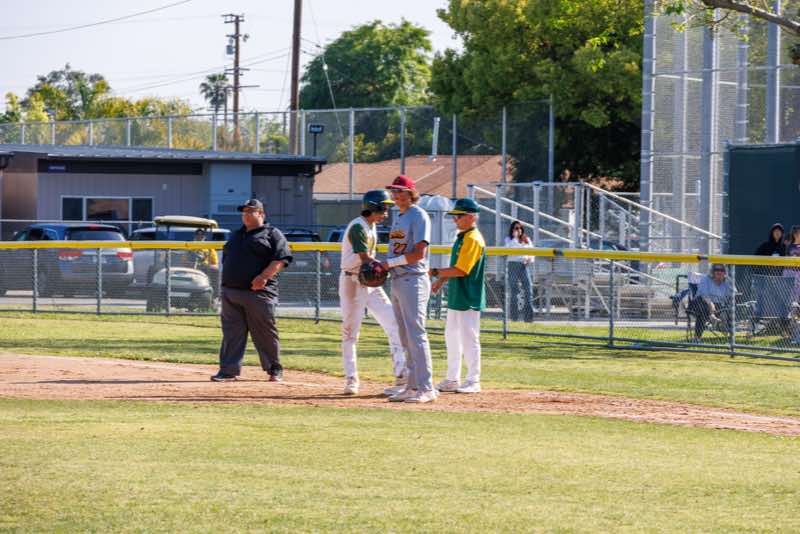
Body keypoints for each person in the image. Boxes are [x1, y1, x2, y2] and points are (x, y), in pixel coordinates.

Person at [211, 199, 293, 382]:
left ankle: (274, 368)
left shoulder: (272, 233)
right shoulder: (236, 235)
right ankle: (228, 371)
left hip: (259, 293)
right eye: (244, 212)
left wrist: (263, 276)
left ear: (261, 214)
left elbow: (281, 259)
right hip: (231, 292)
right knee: (232, 334)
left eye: (251, 211)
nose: (246, 215)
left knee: (264, 332)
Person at [339, 190, 408, 395]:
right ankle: (351, 379)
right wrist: (388, 265)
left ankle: (402, 375)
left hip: (369, 282)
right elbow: (364, 257)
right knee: (350, 333)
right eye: (383, 208)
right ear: (372, 207)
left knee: (394, 323)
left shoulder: (372, 226)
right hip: (352, 280)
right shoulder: (358, 226)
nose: (386, 213)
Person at [379, 175, 437, 403]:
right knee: (405, 336)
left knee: (416, 334)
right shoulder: (399, 217)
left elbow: (419, 253)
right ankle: (412, 386)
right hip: (397, 279)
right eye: (394, 191)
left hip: (413, 279)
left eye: (400, 191)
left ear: (411, 193)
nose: (396, 195)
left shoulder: (418, 215)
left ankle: (426, 387)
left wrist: (388, 264)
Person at [431, 198, 486, 394]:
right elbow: (455, 265)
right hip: (457, 296)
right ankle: (452, 379)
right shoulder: (462, 236)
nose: (455, 219)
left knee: (469, 338)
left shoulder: (472, 238)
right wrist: (441, 280)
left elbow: (462, 270)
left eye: (459, 216)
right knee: (452, 337)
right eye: (455, 216)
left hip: (468, 296)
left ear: (471, 217)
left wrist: (434, 272)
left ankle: (473, 380)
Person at [689, 263, 733, 340]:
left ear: (725, 272)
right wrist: (711, 306)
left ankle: (697, 338)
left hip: (718, 306)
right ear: (712, 271)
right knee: (703, 308)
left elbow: (734, 294)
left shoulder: (727, 281)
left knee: (704, 312)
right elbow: (704, 295)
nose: (719, 272)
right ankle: (712, 317)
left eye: (722, 270)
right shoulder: (705, 279)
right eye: (717, 270)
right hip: (700, 303)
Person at [504, 220, 535, 322]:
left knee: (528, 289)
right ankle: (514, 318)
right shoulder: (509, 239)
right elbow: (508, 249)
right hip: (513, 265)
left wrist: (529, 259)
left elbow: (532, 252)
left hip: (524, 266)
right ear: (512, 229)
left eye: (520, 228)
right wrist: (515, 238)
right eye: (516, 228)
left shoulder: (527, 239)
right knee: (514, 291)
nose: (519, 230)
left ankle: (528, 318)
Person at [784, 226, 800, 299]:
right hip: (790, 272)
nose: (797, 234)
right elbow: (786, 259)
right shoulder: (789, 246)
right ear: (794, 234)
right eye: (796, 233)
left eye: (798, 233)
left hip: (798, 272)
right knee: (789, 291)